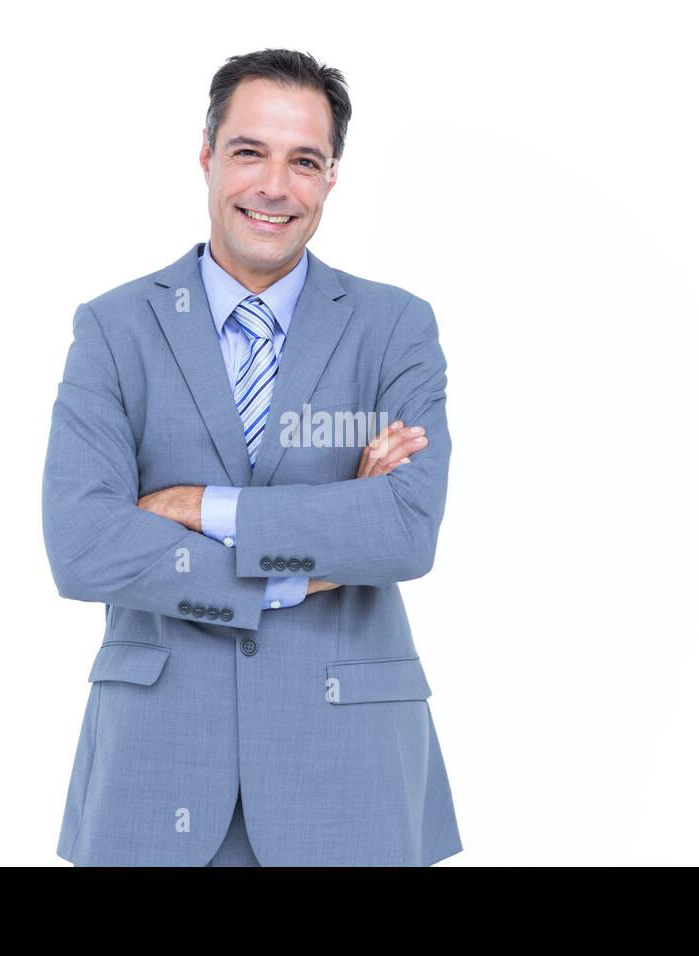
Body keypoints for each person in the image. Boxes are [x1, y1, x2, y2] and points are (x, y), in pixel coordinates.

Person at [43, 48, 461, 866]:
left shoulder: (395, 328)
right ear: (206, 156)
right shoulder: (114, 330)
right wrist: (309, 562)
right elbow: (84, 544)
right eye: (249, 152)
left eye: (304, 160)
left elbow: (405, 531)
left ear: (331, 176)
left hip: (351, 763)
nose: (275, 185)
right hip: (157, 763)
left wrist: (200, 508)